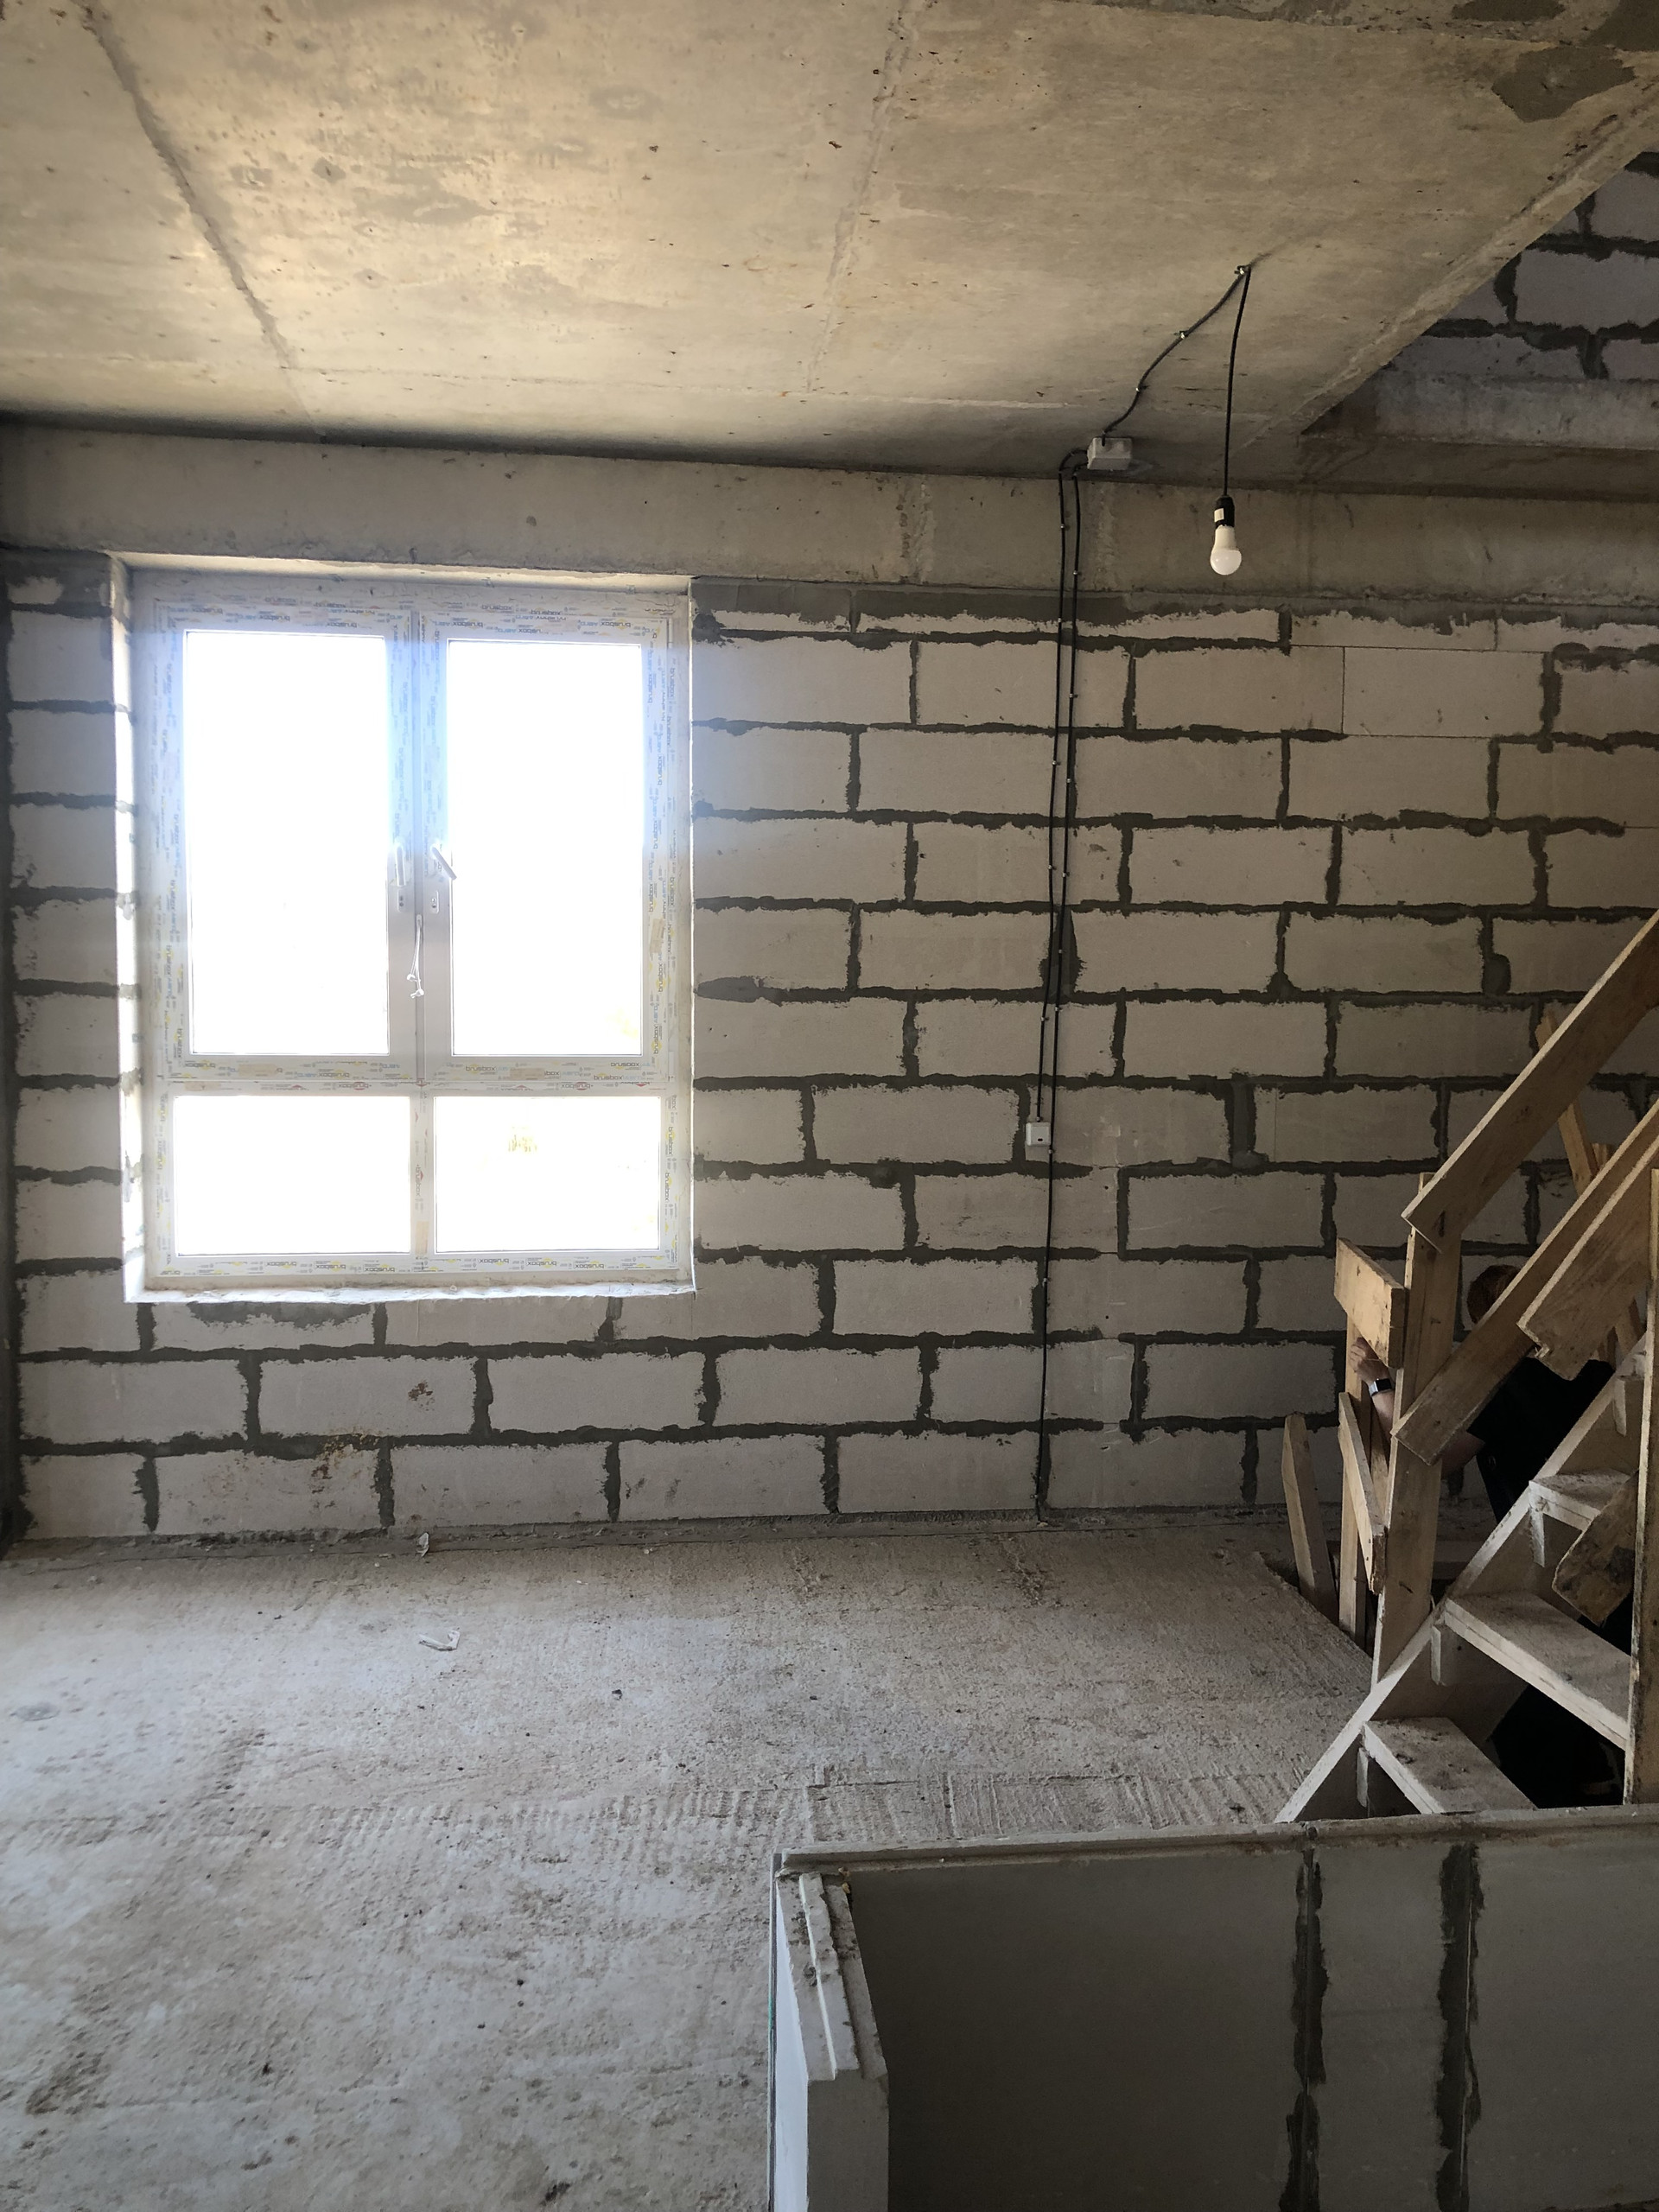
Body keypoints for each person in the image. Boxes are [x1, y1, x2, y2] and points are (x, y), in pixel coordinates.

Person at [1351, 1262, 1619, 1807]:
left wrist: (1379, 1381)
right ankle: (1594, 1774)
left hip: (1544, 1562)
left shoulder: (1506, 1388)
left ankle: (1559, 1802)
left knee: (1517, 1694)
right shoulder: (1600, 1376)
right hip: (1615, 1555)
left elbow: (1431, 1455)